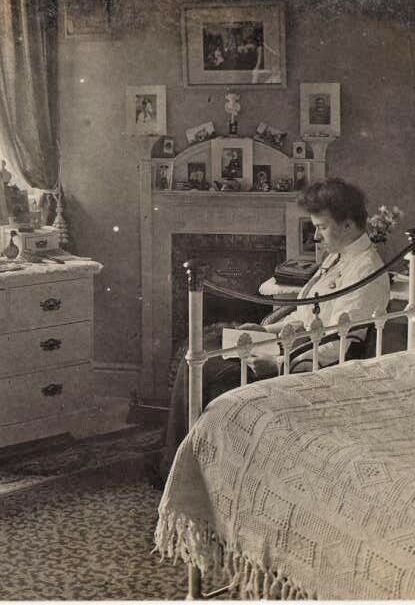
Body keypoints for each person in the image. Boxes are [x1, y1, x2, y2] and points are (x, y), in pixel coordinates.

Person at [147, 178, 390, 489]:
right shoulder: (338, 257)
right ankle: (180, 454)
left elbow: (339, 347)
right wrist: (264, 329)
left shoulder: (365, 270)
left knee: (205, 365)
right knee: (203, 344)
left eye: (322, 227)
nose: (315, 236)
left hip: (307, 362)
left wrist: (277, 366)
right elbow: (307, 315)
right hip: (292, 344)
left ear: (346, 225)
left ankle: (177, 466)